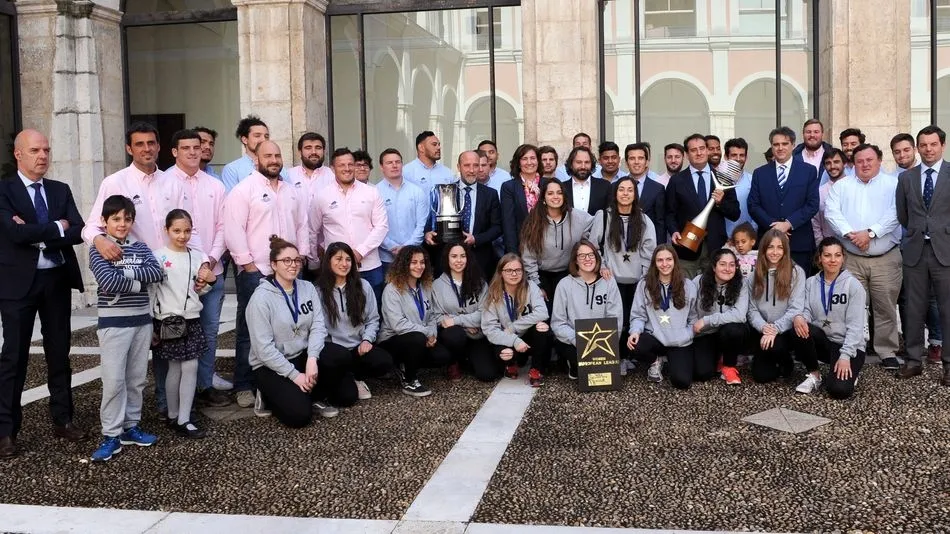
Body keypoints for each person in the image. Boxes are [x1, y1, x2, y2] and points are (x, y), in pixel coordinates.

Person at [0, 129, 86, 459]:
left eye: (47, 149)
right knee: (14, 357)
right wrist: (56, 227)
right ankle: (6, 430)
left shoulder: (59, 189)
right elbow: (13, 232)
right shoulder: (4, 191)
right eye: (35, 150)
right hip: (16, 285)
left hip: (55, 281)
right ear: (18, 155)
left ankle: (63, 418)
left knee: (59, 351)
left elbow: (78, 230)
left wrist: (41, 232)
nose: (43, 156)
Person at [223, 140, 309, 408]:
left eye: (277, 155)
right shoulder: (243, 190)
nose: (274, 160)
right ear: (256, 159)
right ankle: (245, 384)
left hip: (290, 270)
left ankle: (278, 380)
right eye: (267, 155)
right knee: (251, 330)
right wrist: (248, 265)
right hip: (257, 271)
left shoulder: (291, 191)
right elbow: (233, 228)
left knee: (287, 327)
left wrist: (302, 256)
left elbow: (303, 224)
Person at [87, 195, 164, 462]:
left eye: (127, 219)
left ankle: (131, 427)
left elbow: (157, 274)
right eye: (116, 219)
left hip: (141, 322)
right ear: (104, 221)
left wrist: (126, 277)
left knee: (136, 379)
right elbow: (107, 281)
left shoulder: (141, 248)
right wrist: (137, 280)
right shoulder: (99, 249)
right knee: (113, 381)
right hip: (114, 325)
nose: (122, 224)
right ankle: (111, 434)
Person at [163, 130, 231, 408]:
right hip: (176, 271)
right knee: (173, 331)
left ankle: (204, 385)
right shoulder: (164, 183)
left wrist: (210, 261)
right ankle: (169, 400)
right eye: (186, 147)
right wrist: (192, 264)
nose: (193, 151)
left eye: (197, 147)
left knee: (209, 329)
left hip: (211, 268)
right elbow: (164, 228)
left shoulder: (215, 185)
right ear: (174, 152)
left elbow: (224, 226)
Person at [246, 237, 341, 427]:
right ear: (274, 264)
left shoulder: (307, 288)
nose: (293, 265)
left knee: (343, 374)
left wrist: (313, 359)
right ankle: (266, 394)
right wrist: (295, 376)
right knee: (299, 416)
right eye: (286, 261)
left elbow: (318, 326)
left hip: (301, 355)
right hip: (270, 365)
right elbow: (263, 349)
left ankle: (311, 393)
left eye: (297, 260)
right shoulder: (261, 299)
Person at [824, 143, 902, 369]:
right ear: (853, 164)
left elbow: (895, 214)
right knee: (852, 306)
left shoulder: (893, 184)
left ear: (879, 160)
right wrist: (851, 234)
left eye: (869, 160)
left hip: (885, 257)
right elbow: (831, 212)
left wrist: (870, 233)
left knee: (885, 305)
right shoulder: (842, 186)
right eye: (860, 161)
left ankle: (887, 351)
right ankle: (853, 347)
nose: (865, 164)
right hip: (852, 257)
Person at [152, 209, 216, 439]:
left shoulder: (199, 256)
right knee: (175, 368)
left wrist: (209, 281)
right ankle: (173, 413)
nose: (182, 236)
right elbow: (153, 292)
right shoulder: (157, 257)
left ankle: (184, 418)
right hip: (168, 320)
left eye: (187, 231)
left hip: (192, 317)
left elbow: (203, 288)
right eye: (177, 231)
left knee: (190, 367)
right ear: (166, 230)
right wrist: (153, 322)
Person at [896, 125, 950, 385]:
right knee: (914, 309)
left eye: (933, 144)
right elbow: (902, 215)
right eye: (924, 145)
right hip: (916, 250)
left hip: (945, 251)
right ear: (918, 148)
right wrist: (918, 231)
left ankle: (948, 365)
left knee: (947, 309)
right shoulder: (907, 178)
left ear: (942, 145)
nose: (928, 149)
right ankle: (914, 360)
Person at [589, 176, 657, 369]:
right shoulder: (603, 216)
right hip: (611, 278)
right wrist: (601, 265)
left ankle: (631, 355)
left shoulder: (644, 220)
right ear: (615, 193)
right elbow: (594, 247)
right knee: (613, 317)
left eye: (630, 190)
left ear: (635, 195)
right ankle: (616, 358)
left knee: (632, 317)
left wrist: (645, 275)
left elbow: (649, 250)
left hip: (637, 279)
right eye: (621, 189)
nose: (625, 193)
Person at [315, 241, 394, 402]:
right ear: (328, 261)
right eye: (338, 259)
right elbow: (317, 327)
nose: (344, 264)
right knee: (346, 398)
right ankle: (344, 377)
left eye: (348, 259)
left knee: (384, 361)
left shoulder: (363, 286)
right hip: (335, 351)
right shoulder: (318, 291)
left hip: (358, 348)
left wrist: (367, 339)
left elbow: (373, 319)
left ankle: (356, 376)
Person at [309, 147, 389, 303]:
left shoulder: (371, 192)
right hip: (335, 269)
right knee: (338, 315)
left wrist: (359, 252)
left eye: (350, 164)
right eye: (341, 165)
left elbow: (382, 227)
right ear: (332, 169)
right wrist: (317, 262)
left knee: (373, 315)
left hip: (369, 267)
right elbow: (313, 231)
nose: (347, 169)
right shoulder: (321, 196)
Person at [791, 237, 867, 398]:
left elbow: (856, 326)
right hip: (826, 343)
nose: (833, 260)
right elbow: (806, 311)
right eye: (827, 255)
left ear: (843, 258)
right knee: (800, 325)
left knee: (839, 391)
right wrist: (799, 317)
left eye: (837, 255)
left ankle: (851, 371)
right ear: (820, 258)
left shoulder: (853, 285)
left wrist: (845, 356)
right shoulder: (811, 283)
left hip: (849, 346)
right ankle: (814, 375)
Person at [377, 246, 453, 397]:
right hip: (392, 340)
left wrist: (432, 334)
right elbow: (398, 324)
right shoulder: (392, 290)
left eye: (422, 262)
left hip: (419, 338)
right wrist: (425, 333)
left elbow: (431, 316)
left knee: (442, 356)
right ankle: (410, 380)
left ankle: (405, 364)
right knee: (416, 338)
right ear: (404, 264)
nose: (419, 266)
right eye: (413, 262)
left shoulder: (425, 287)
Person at [665, 133, 740, 277]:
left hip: (715, 246)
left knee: (712, 292)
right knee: (685, 291)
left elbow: (735, 213)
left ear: (707, 150)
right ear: (687, 154)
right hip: (687, 247)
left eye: (702, 148)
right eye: (693, 150)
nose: (699, 153)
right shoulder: (676, 181)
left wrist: (720, 203)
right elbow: (670, 213)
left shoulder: (723, 178)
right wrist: (674, 230)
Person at [746, 229, 813, 391]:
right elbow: (751, 310)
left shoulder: (796, 273)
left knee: (776, 347)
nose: (775, 252)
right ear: (763, 250)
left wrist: (775, 329)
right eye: (770, 247)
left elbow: (795, 308)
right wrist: (763, 327)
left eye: (779, 247)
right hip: (763, 329)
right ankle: (767, 358)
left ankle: (785, 359)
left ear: (785, 250)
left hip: (784, 330)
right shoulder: (753, 276)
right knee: (761, 376)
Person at [748, 126, 820, 273]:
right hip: (768, 242)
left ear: (793, 145)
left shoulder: (808, 171)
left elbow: (812, 205)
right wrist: (774, 226)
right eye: (776, 144)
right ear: (772, 147)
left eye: (784, 144)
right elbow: (753, 205)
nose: (780, 148)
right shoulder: (760, 173)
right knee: (768, 288)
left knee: (799, 287)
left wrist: (788, 224)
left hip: (799, 242)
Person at [626, 245, 699, 388]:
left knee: (681, 382)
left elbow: (694, 318)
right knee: (635, 345)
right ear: (654, 263)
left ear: (675, 261)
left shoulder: (688, 286)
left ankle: (672, 359)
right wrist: (635, 331)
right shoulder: (645, 285)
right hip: (655, 337)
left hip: (679, 340)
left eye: (668, 259)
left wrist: (686, 335)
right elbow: (638, 315)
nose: (664, 264)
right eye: (660, 260)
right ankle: (655, 360)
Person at [424, 151, 502, 279]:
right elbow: (431, 223)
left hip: (479, 259)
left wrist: (476, 239)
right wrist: (428, 234)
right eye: (467, 165)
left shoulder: (490, 194)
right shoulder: (445, 191)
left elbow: (497, 228)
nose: (471, 170)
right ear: (458, 167)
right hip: (448, 257)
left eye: (476, 165)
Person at [551, 240, 623, 379]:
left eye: (591, 255)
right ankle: (571, 364)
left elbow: (616, 317)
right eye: (582, 256)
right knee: (582, 372)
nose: (587, 259)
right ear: (575, 260)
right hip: (575, 341)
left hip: (604, 341)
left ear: (597, 258)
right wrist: (577, 339)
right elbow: (557, 323)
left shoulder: (609, 281)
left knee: (601, 376)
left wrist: (610, 342)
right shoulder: (564, 285)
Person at [481, 253, 553, 387]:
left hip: (526, 336)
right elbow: (489, 330)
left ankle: (536, 369)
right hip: (506, 338)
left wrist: (514, 327)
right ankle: (510, 364)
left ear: (523, 272)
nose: (514, 274)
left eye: (518, 270)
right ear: (501, 273)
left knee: (542, 327)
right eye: (509, 270)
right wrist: (513, 340)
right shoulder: (493, 293)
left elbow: (542, 313)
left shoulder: (531, 286)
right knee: (506, 354)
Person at [521, 179, 594, 311]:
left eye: (559, 193)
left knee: (569, 313)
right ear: (543, 198)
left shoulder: (578, 217)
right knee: (545, 316)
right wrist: (537, 285)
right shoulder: (533, 221)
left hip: (569, 273)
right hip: (542, 275)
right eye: (550, 193)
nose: (555, 196)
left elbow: (597, 223)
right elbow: (528, 257)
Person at [430, 244, 495, 381]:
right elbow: (436, 316)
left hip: (477, 333)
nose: (458, 260)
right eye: (454, 256)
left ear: (468, 258)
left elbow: (485, 313)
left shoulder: (480, 283)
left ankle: (468, 359)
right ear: (447, 259)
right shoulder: (437, 285)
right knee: (455, 335)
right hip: (455, 334)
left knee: (487, 375)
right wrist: (465, 324)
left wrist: (456, 320)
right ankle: (454, 362)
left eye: (462, 256)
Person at [692, 248, 750, 385]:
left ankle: (729, 365)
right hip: (706, 334)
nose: (727, 269)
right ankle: (716, 357)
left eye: (731, 265)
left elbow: (740, 315)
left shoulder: (741, 284)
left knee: (734, 329)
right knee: (702, 373)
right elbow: (690, 309)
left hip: (728, 333)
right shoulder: (698, 282)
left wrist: (707, 320)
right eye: (722, 264)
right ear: (714, 266)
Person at [376, 148, 428, 273]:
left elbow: (421, 225)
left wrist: (406, 248)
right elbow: (374, 227)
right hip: (386, 258)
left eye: (397, 162)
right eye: (389, 163)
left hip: (414, 259)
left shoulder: (416, 191)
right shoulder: (375, 192)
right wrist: (392, 247)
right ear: (381, 167)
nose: (394, 165)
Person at [221, 115, 287, 192]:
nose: (263, 139)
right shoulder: (232, 169)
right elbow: (232, 201)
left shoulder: (279, 168)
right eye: (257, 136)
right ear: (245, 140)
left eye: (266, 136)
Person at [501, 144, 543, 254]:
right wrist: (513, 253)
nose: (529, 162)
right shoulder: (509, 187)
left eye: (533, 158)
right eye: (524, 159)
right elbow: (508, 223)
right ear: (518, 163)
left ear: (538, 161)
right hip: (522, 246)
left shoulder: (548, 184)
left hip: (547, 246)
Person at [624, 143, 666, 240]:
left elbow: (660, 223)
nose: (636, 162)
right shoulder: (615, 187)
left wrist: (658, 250)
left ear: (647, 162)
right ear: (626, 163)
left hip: (648, 243)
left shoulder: (658, 189)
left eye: (641, 158)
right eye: (632, 158)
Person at [561, 145, 611, 216]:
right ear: (571, 164)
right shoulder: (562, 188)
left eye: (587, 162)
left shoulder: (605, 186)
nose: (583, 166)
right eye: (579, 162)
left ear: (592, 164)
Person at [811, 148, 847, 244]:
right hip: (829, 246)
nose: (832, 166)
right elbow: (815, 221)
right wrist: (821, 244)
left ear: (845, 164)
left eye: (836, 162)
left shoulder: (855, 188)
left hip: (854, 244)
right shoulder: (819, 192)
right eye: (828, 163)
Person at [403, 131, 455, 197]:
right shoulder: (406, 172)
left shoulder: (448, 173)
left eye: (439, 144)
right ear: (421, 148)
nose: (439, 148)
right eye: (434, 144)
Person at [722, 138, 756, 238]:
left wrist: (751, 233)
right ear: (726, 157)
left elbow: (758, 208)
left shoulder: (753, 180)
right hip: (722, 240)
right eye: (734, 155)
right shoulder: (715, 181)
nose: (738, 158)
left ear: (746, 157)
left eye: (741, 155)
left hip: (747, 240)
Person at [288, 132, 335, 197]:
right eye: (308, 148)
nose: (314, 152)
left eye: (318, 148)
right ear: (300, 152)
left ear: (323, 151)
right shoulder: (289, 176)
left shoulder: (333, 176)